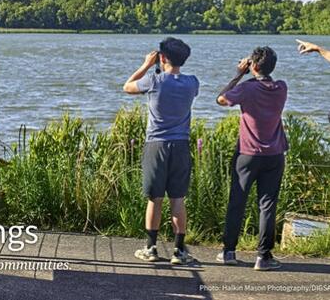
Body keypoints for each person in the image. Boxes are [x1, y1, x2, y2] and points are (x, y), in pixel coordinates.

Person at [123, 37, 199, 265]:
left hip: (156, 144)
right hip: (181, 145)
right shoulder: (192, 83)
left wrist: (146, 64)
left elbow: (127, 86)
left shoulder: (154, 80)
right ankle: (179, 250)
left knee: (154, 198)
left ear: (162, 57)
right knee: (178, 198)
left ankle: (151, 247)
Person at [215, 47, 288, 271]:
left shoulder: (247, 88)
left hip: (247, 155)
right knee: (267, 205)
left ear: (253, 66)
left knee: (237, 202)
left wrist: (239, 74)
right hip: (274, 154)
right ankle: (263, 256)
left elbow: (221, 99)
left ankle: (229, 251)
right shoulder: (281, 87)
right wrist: (253, 71)